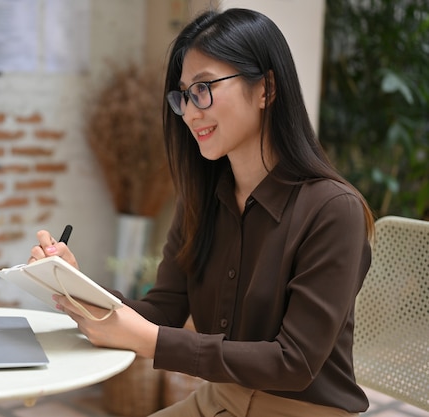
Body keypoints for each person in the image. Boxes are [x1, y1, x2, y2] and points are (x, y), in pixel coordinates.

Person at [28, 8, 374, 417]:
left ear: (266, 88)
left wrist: (153, 341)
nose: (191, 112)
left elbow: (293, 363)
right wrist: (77, 285)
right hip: (219, 401)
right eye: (184, 95)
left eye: (204, 88)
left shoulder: (333, 211)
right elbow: (164, 312)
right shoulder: (200, 200)